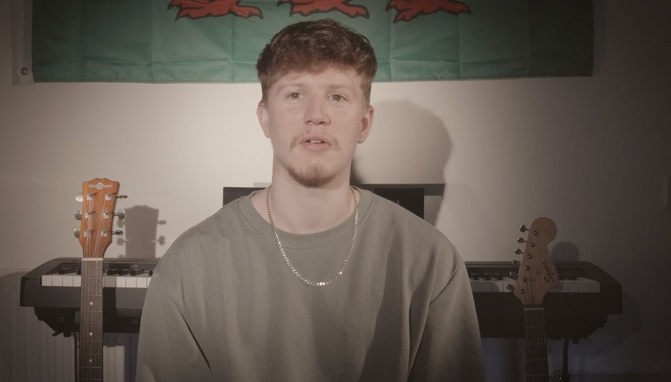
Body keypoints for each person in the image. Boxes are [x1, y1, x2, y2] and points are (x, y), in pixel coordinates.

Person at [135, 18, 485, 381]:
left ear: (364, 123)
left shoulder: (430, 258)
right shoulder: (188, 264)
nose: (316, 116)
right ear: (265, 118)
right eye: (295, 94)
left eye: (337, 96)